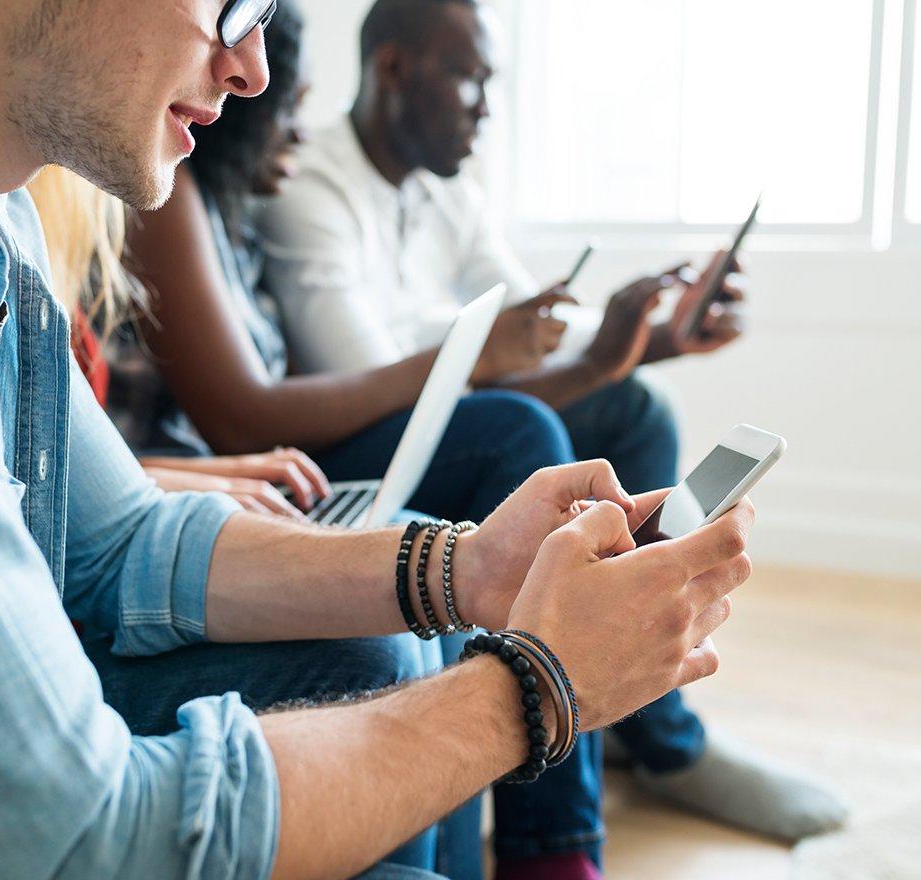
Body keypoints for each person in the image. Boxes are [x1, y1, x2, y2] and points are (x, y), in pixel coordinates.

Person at [0, 2, 757, 879]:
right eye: (236, 1)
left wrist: (466, 569)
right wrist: (534, 687)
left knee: (374, 641)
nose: (254, 69)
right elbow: (82, 839)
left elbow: (117, 542)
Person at [255, 0, 848, 869]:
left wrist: (648, 341)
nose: (487, 108)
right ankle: (555, 839)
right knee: (522, 430)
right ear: (393, 70)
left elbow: (544, 337)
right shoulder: (313, 189)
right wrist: (560, 361)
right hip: (350, 442)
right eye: (470, 80)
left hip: (441, 420)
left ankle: (656, 728)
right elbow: (387, 388)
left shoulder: (447, 189)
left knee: (631, 409)